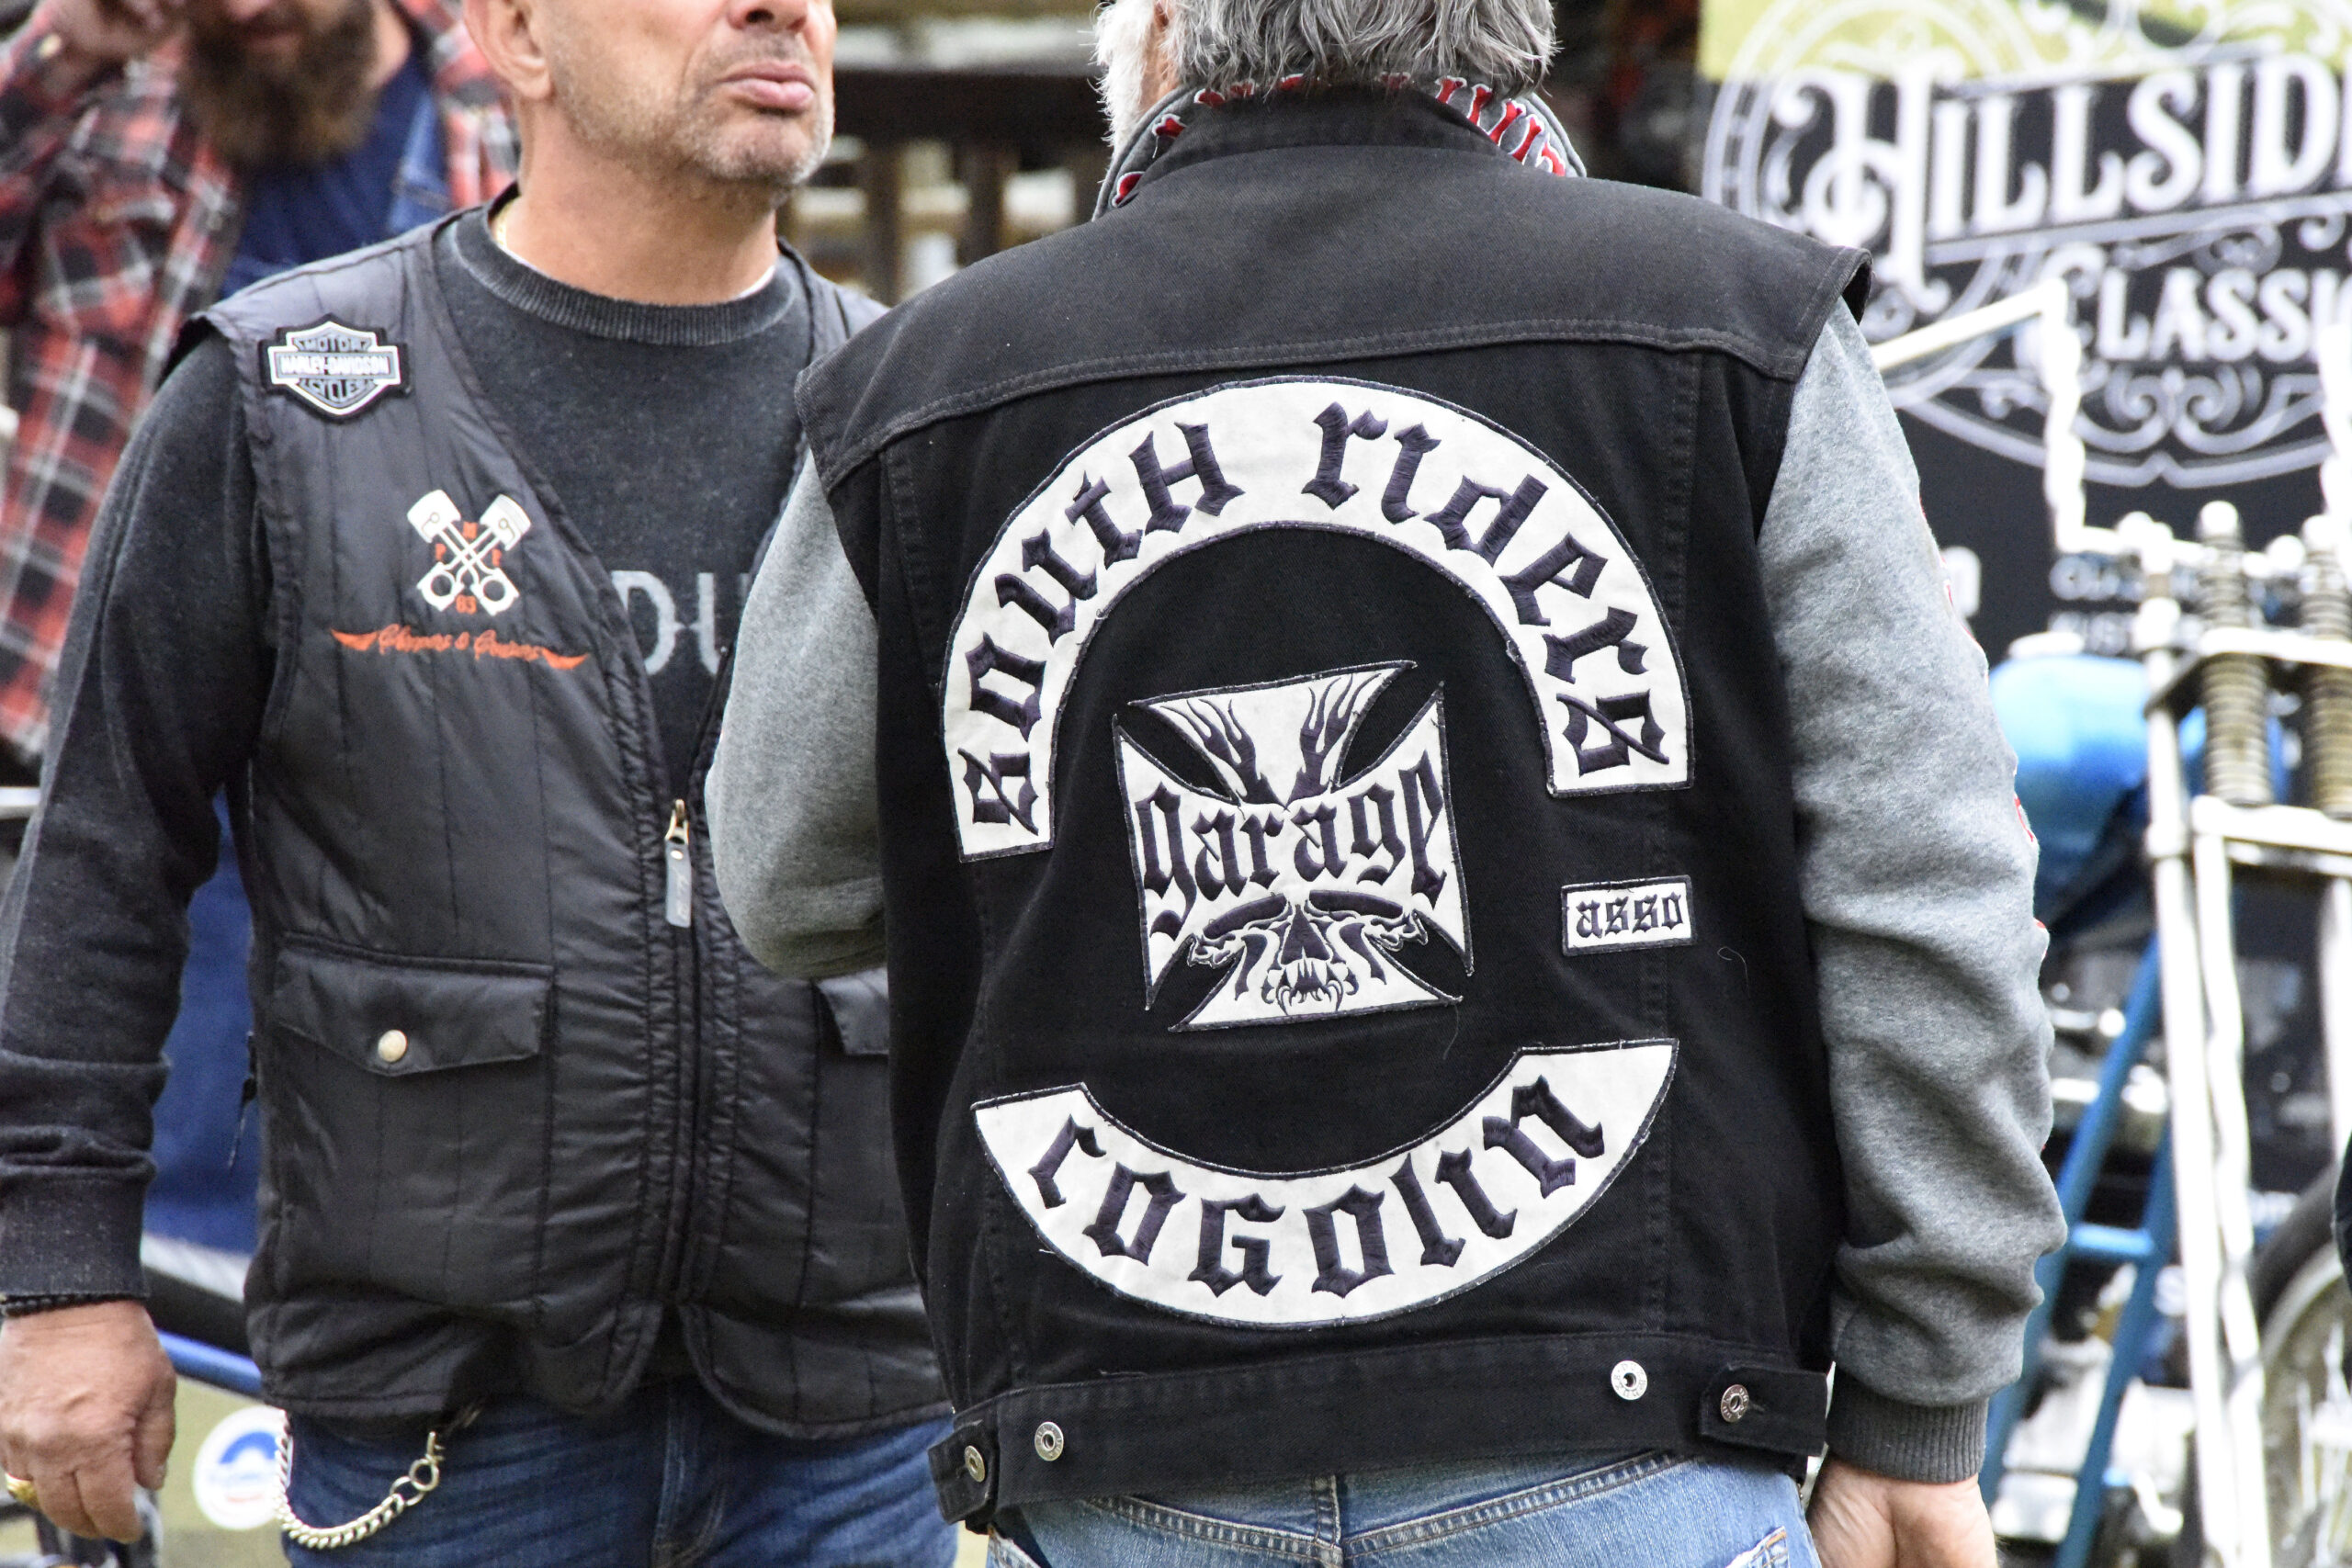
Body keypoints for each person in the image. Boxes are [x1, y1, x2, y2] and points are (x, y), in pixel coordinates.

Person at [705, 0, 2064, 1560]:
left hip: (1121, 1462)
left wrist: (1051, 820)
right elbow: (1927, 891)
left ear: (1165, 33)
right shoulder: (1733, 325)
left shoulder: (928, 389)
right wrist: (1917, 1403)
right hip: (1626, 1442)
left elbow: (784, 877)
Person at [0, 0, 957, 1551]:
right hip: (449, 1426)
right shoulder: (287, 402)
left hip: (855, 1428)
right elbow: (103, 856)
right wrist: (56, 1279)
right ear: (516, 35)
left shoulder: (921, 412)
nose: (782, 8)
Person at [0, 0, 523, 1275]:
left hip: (418, 742)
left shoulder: (504, 107)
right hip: (112, 732)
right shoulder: (101, 109)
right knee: (121, 1202)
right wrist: (60, 54)